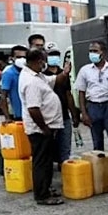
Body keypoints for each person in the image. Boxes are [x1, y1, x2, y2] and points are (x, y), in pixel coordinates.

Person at [18, 48, 71, 206]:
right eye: (43, 60)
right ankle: (42, 195)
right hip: (39, 130)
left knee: (47, 161)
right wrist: (45, 128)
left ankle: (46, 188)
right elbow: (33, 108)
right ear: (37, 61)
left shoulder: (38, 76)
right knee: (41, 162)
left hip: (45, 128)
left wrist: (66, 72)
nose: (45, 64)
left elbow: (55, 80)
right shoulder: (31, 81)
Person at [75, 40, 108, 184]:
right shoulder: (85, 70)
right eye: (91, 51)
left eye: (95, 51)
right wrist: (84, 112)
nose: (92, 54)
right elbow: (81, 92)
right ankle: (101, 176)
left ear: (103, 53)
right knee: (97, 143)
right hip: (93, 107)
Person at [44, 43, 79, 165]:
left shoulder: (64, 74)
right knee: (49, 146)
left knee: (65, 145)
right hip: (48, 117)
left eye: (56, 54)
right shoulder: (42, 75)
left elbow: (68, 94)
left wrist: (74, 114)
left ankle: (63, 167)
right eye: (51, 55)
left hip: (64, 115)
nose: (54, 57)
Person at [0, 45, 29, 121]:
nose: (22, 59)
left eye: (24, 57)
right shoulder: (9, 73)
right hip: (19, 114)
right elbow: (3, 97)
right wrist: (7, 117)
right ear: (12, 58)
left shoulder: (29, 72)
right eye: (18, 57)